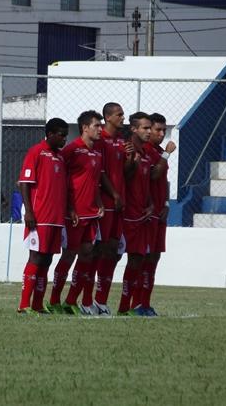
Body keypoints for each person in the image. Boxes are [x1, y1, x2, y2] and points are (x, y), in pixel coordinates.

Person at [48, 110, 104, 315]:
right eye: (97, 125)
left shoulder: (97, 152)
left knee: (88, 254)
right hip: (75, 214)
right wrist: (69, 207)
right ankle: (54, 300)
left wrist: (99, 203)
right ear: (85, 128)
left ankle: (71, 300)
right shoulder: (72, 150)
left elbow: (95, 181)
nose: (100, 129)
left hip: (91, 213)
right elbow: (61, 180)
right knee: (69, 254)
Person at [17, 118, 69, 314]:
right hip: (40, 217)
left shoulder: (61, 157)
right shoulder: (36, 151)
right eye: (61, 134)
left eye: (65, 134)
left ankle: (38, 305)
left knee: (47, 261)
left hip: (56, 219)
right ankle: (23, 305)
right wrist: (29, 211)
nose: (64, 138)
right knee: (36, 258)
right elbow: (23, 182)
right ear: (51, 134)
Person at [90, 102, 135, 315]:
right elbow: (100, 172)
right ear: (108, 117)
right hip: (107, 205)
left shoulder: (120, 141)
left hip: (119, 205)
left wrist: (130, 159)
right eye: (119, 114)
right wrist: (114, 194)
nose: (123, 118)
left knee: (114, 252)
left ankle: (101, 300)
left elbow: (124, 173)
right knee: (100, 250)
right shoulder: (101, 141)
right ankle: (88, 299)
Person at [135, 113, 176, 316]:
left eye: (162, 130)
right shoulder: (149, 152)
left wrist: (167, 202)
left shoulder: (157, 152)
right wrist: (167, 155)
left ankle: (145, 303)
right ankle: (137, 302)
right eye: (156, 130)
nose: (160, 134)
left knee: (154, 258)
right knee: (144, 257)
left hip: (160, 211)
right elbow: (154, 175)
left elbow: (164, 181)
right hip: (147, 213)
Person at [117, 112, 154, 316]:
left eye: (150, 128)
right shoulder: (126, 149)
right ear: (133, 129)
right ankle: (96, 301)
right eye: (145, 128)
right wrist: (131, 160)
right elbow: (122, 175)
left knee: (138, 260)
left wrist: (149, 203)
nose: (149, 132)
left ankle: (126, 306)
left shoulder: (146, 153)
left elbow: (145, 183)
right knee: (110, 258)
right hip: (125, 215)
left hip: (141, 215)